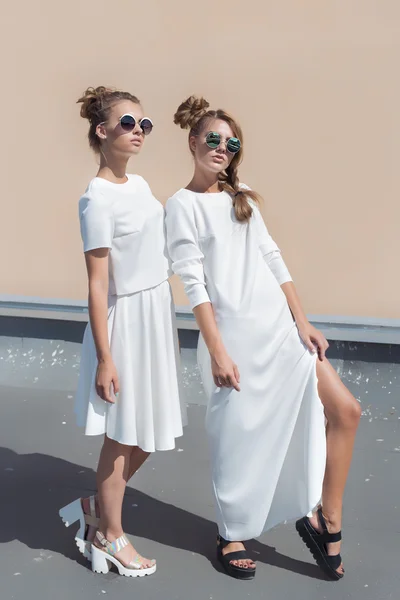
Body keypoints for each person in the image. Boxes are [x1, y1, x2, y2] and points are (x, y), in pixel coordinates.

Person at [165, 96, 361, 581]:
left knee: (346, 411)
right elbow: (193, 285)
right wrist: (216, 350)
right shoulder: (180, 206)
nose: (222, 149)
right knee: (239, 437)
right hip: (233, 339)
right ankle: (230, 532)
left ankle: (325, 517)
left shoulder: (243, 195)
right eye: (213, 139)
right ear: (192, 141)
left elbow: (273, 257)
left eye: (231, 143)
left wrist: (303, 320)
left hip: (280, 333)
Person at [59, 86, 186, 578]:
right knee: (123, 433)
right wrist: (106, 358)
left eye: (145, 124)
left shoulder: (139, 184)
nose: (139, 132)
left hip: (156, 314)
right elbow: (96, 285)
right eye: (129, 123)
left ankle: (97, 506)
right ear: (102, 130)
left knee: (151, 430)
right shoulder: (96, 200)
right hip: (125, 323)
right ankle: (110, 535)